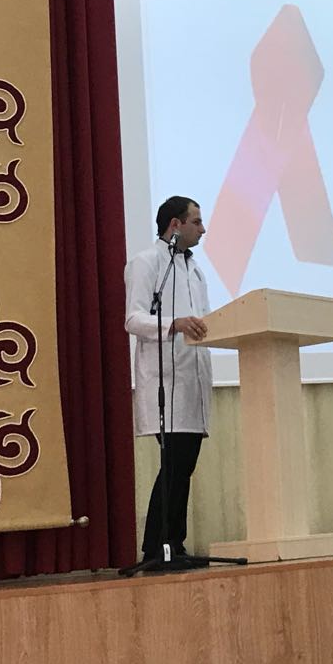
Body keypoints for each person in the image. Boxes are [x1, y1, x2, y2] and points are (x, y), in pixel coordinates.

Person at [125, 195, 213, 564]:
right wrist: (173, 324)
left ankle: (174, 546)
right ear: (175, 225)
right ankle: (157, 547)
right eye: (196, 222)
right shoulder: (147, 263)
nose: (203, 229)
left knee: (183, 466)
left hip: (193, 378)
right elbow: (133, 319)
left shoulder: (195, 270)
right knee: (175, 464)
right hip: (166, 379)